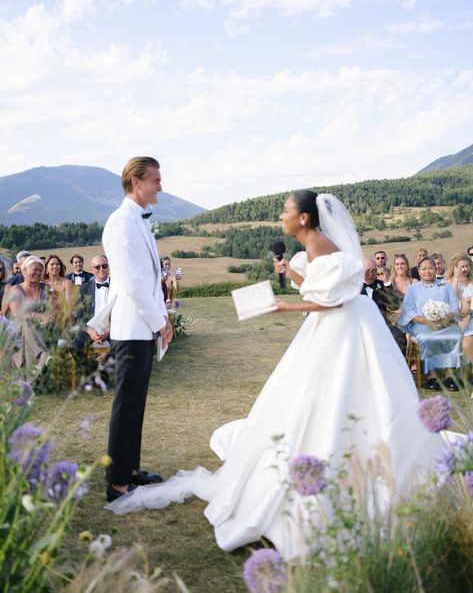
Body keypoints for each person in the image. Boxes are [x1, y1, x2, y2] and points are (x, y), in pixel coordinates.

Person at [106, 191, 445, 562]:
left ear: (303, 218)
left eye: (286, 210)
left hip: (345, 329)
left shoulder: (325, 245)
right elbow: (317, 284)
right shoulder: (309, 246)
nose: (281, 215)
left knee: (339, 395)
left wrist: (284, 305)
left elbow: (335, 299)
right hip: (328, 326)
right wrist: (288, 272)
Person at [100, 156, 173, 503]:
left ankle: (130, 468)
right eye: (155, 179)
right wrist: (159, 322)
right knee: (125, 404)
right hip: (131, 327)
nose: (160, 185)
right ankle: (116, 482)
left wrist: (164, 319)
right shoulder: (120, 223)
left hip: (146, 326)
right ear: (135, 182)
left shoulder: (139, 220)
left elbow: (151, 278)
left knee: (137, 404)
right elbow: (131, 284)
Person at [399, 257, 462, 391]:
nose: (427, 271)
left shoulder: (445, 285)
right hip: (421, 323)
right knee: (428, 338)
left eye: (431, 268)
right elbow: (408, 311)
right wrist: (427, 321)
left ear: (435, 269)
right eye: (424, 269)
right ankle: (432, 375)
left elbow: (454, 307)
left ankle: (449, 375)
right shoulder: (413, 289)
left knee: (455, 336)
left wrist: (444, 320)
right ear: (419, 271)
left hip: (446, 323)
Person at [8, 256, 56, 376]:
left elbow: (54, 309)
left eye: (40, 270)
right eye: (35, 269)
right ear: (24, 271)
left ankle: (30, 381)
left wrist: (50, 318)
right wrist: (39, 316)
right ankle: (43, 355)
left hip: (45, 328)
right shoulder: (15, 290)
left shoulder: (46, 288)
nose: (38, 273)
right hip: (21, 329)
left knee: (29, 329)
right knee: (26, 324)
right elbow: (17, 313)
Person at [70, 255, 112, 371]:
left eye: (104, 266)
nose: (101, 269)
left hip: (113, 329)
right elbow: (80, 315)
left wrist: (109, 332)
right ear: (91, 270)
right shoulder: (84, 288)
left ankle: (104, 367)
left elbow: (123, 314)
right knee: (75, 347)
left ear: (109, 267)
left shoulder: (117, 287)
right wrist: (91, 332)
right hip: (91, 329)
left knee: (124, 346)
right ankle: (90, 370)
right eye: (97, 267)